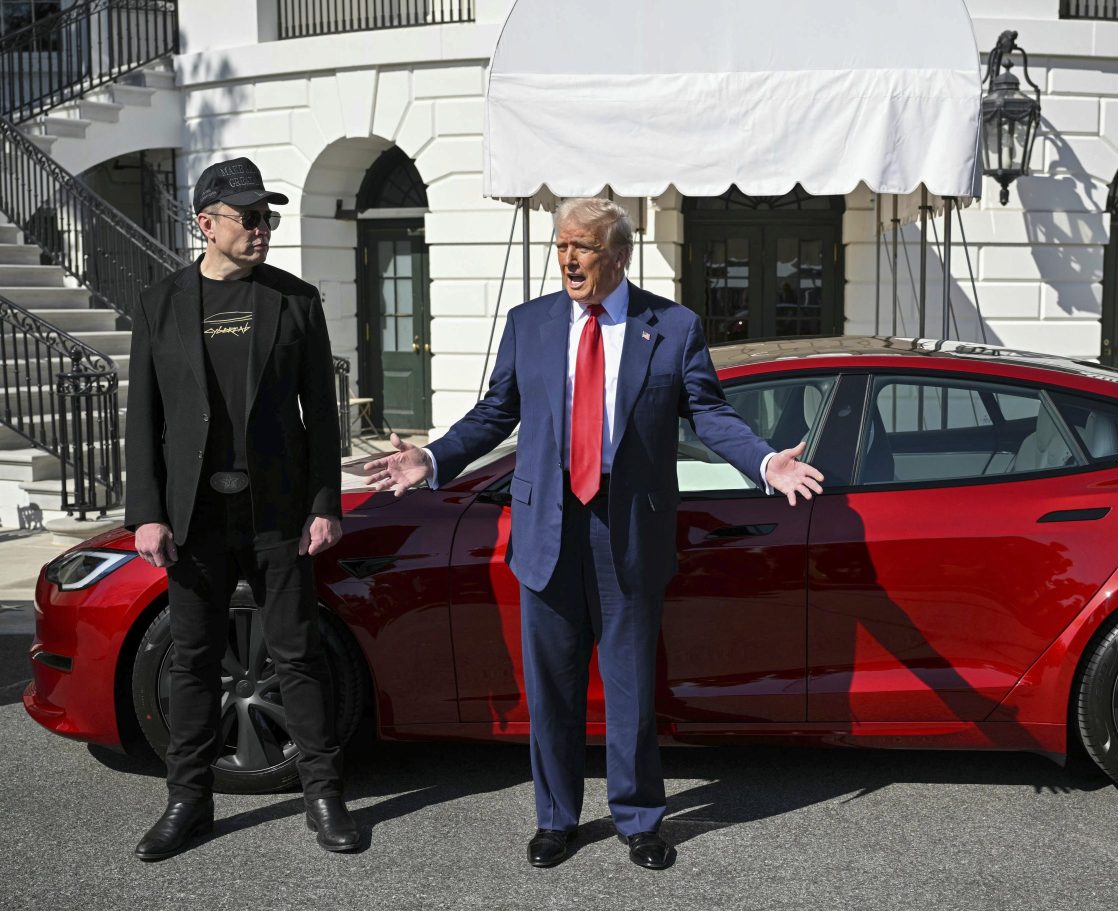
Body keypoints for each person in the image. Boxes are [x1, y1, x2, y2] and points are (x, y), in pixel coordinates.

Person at [364, 198, 823, 870]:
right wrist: (433, 458)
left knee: (631, 685)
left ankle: (640, 819)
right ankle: (557, 819)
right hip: (549, 526)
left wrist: (762, 460)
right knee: (551, 687)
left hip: (627, 528)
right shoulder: (532, 324)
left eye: (582, 247)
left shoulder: (671, 325)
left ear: (619, 255)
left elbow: (709, 413)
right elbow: (495, 414)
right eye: (560, 247)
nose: (568, 260)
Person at [125, 157, 355, 860]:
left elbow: (322, 412)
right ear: (207, 223)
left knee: (299, 654)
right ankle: (188, 800)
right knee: (192, 659)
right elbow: (143, 419)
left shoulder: (295, 301)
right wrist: (147, 512)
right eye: (249, 217)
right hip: (194, 519)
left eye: (267, 217)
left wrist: (325, 502)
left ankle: (322, 795)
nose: (262, 229)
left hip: (279, 511)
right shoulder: (160, 304)